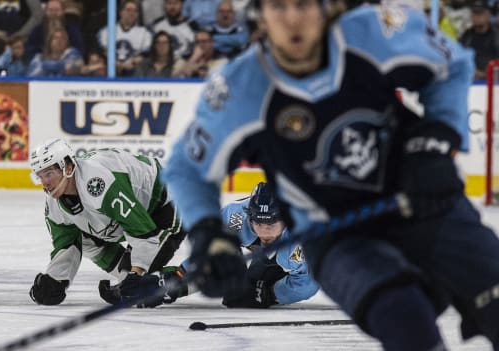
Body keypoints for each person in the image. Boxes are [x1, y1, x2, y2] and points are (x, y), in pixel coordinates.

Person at [162, 0, 499, 350]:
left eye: (304, 5)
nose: (292, 19)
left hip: (421, 200)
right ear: (259, 16)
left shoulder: (375, 32)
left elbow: (452, 65)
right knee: (405, 319)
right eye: (278, 7)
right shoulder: (239, 90)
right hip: (339, 236)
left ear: (329, 8)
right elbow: (187, 169)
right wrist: (207, 233)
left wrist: (436, 141)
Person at [28, 138, 187, 307]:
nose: (45, 183)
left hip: (172, 198)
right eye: (40, 176)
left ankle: (188, 278)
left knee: (142, 285)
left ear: (68, 167)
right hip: (141, 211)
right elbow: (67, 245)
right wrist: (55, 279)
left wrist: (136, 273)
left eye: (49, 174)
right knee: (126, 277)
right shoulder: (55, 205)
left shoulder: (99, 183)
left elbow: (143, 232)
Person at [220, 182, 319, 308]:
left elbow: (308, 283)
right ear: (250, 216)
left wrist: (269, 295)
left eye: (271, 224)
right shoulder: (235, 216)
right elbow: (207, 248)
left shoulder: (300, 235)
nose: (264, 232)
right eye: (259, 223)